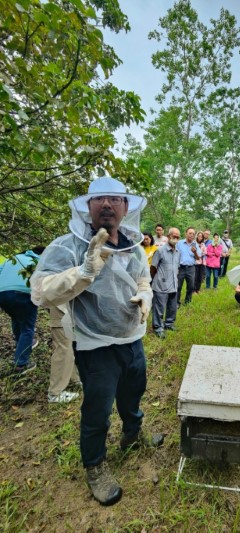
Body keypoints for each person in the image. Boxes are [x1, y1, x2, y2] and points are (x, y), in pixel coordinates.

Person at [30, 176, 163, 506]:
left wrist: (145, 294)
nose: (107, 204)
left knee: (134, 392)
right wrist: (84, 271)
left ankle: (132, 436)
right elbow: (40, 291)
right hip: (95, 345)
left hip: (131, 339)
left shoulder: (131, 245)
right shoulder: (69, 245)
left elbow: (142, 278)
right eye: (99, 198)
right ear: (87, 206)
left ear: (125, 207)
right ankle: (95, 465)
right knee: (98, 410)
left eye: (114, 199)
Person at [0, 246, 44, 374]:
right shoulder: (40, 261)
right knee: (27, 328)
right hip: (23, 293)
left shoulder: (14, 259)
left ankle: (22, 346)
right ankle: (21, 364)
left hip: (2, 293)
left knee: (16, 318)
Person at [151, 228, 181, 339]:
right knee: (159, 308)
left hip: (173, 283)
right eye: (174, 236)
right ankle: (158, 328)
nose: (176, 238)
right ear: (168, 236)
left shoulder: (178, 252)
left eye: (178, 237)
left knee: (172, 307)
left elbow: (176, 268)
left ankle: (168, 324)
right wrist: (158, 279)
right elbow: (153, 267)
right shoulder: (160, 251)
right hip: (161, 284)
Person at [47, 305, 81, 403]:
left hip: (67, 307)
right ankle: (55, 393)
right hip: (61, 307)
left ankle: (75, 379)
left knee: (69, 345)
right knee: (63, 347)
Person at [176, 227, 200, 306]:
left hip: (191, 268)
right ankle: (176, 303)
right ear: (186, 233)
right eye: (190, 233)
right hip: (181, 268)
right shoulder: (179, 243)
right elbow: (175, 255)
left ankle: (187, 302)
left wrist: (195, 252)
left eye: (193, 234)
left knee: (191, 286)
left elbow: (198, 258)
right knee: (178, 286)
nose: (192, 235)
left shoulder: (195, 244)